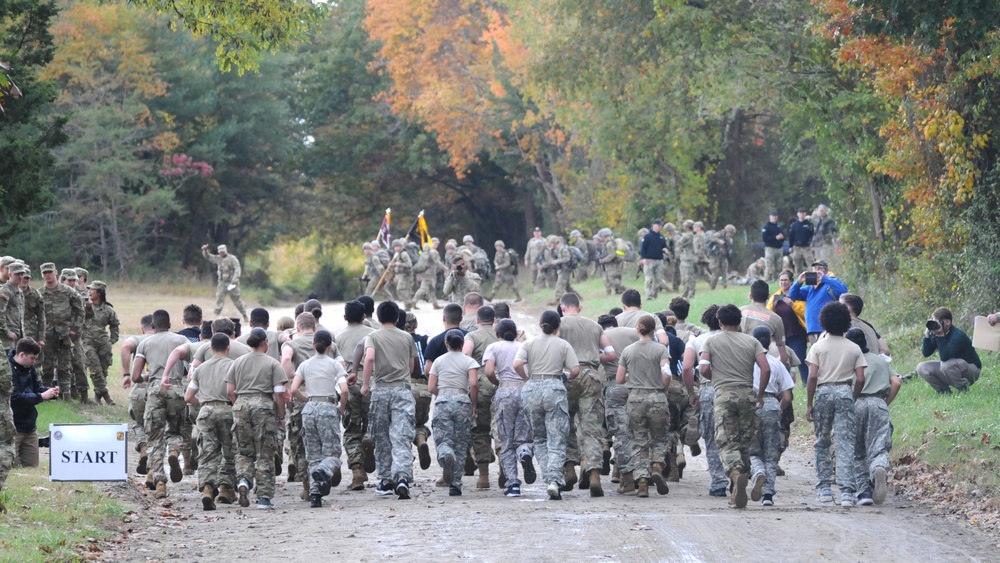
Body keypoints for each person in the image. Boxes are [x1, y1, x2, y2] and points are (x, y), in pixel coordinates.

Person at [699, 304, 770, 509]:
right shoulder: (752, 341)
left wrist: (715, 378)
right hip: (747, 394)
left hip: (724, 394)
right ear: (740, 322)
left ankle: (735, 474)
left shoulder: (711, 340)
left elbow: (703, 367)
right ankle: (737, 490)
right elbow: (765, 368)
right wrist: (761, 392)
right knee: (744, 441)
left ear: (719, 322)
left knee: (726, 442)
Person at [514, 310, 581, 500]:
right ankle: (554, 479)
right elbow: (575, 369)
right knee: (557, 438)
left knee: (540, 438)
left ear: (540, 325)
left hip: (532, 388)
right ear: (558, 326)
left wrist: (527, 378)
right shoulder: (563, 345)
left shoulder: (528, 343)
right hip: (554, 387)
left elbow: (517, 363)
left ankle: (549, 477)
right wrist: (566, 376)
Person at [805, 302, 866, 507]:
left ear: (824, 322)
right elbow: (860, 378)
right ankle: (847, 492)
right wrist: (853, 395)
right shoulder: (854, 347)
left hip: (823, 392)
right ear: (846, 323)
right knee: (845, 442)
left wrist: (809, 404)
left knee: (822, 441)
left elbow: (812, 376)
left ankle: (824, 489)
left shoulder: (818, 347)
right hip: (844, 391)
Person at [558, 293, 615, 497]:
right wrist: (591, 357)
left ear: (562, 308)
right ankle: (594, 476)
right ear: (579, 307)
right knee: (591, 427)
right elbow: (610, 354)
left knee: (565, 423)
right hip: (591, 375)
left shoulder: (559, 324)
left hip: (567, 376)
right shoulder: (595, 326)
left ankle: (569, 468)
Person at [361, 301, 418, 500]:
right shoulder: (406, 337)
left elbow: (369, 358)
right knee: (401, 436)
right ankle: (402, 476)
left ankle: (385, 480)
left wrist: (366, 384)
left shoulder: (373, 336)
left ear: (378, 317)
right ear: (396, 318)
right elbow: (411, 366)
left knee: (382, 437)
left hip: (381, 391)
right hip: (402, 391)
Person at [131, 310, 191, 497]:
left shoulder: (145, 343)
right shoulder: (182, 341)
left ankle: (159, 483)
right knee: (175, 430)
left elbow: (135, 376)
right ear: (170, 324)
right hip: (176, 389)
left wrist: (148, 376)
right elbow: (191, 371)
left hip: (155, 390)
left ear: (153, 326)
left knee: (154, 438)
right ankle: (173, 452)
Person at [226, 328, 287, 510]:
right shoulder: (273, 363)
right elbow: (280, 393)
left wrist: (240, 405)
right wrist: (281, 415)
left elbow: (230, 391)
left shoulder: (237, 362)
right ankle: (264, 498)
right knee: (265, 453)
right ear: (265, 342)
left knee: (244, 451)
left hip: (241, 406)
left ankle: (244, 480)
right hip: (264, 406)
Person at [290, 330, 349, 508]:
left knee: (313, 454)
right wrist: (341, 407)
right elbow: (344, 390)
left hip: (309, 409)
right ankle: (323, 471)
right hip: (328, 407)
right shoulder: (335, 365)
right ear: (331, 346)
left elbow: (293, 390)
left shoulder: (304, 365)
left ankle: (315, 495)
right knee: (332, 453)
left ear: (313, 345)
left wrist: (306, 400)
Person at [615, 316, 670, 498]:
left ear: (638, 329)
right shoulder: (661, 349)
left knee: (638, 441)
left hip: (635, 398)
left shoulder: (628, 351)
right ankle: (656, 466)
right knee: (659, 438)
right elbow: (667, 373)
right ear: (654, 330)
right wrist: (664, 387)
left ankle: (642, 481)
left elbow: (619, 379)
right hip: (657, 397)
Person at [844, 328, 900, 506]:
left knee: (857, 450)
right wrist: (885, 403)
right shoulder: (880, 360)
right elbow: (896, 382)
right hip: (878, 403)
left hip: (856, 403)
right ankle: (879, 468)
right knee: (878, 446)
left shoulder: (848, 361)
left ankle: (864, 492)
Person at [184, 333, 237, 510]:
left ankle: (207, 488)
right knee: (228, 451)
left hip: (206, 412)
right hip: (228, 410)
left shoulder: (200, 369)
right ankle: (225, 488)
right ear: (228, 347)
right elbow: (234, 392)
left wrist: (205, 403)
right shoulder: (234, 366)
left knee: (207, 452)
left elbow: (188, 396)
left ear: (211, 348)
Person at [428, 329, 480, 496]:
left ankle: (446, 454)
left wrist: (443, 395)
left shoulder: (438, 361)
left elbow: (430, 387)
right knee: (461, 443)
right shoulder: (469, 361)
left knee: (443, 439)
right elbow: (473, 383)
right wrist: (472, 403)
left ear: (446, 344)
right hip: (462, 400)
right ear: (463, 344)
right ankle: (456, 484)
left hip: (443, 400)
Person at [484, 319, 532, 497]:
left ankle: (513, 484)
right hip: (524, 390)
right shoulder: (524, 346)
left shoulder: (494, 347)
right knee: (524, 434)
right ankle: (525, 452)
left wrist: (498, 383)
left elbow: (489, 371)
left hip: (505, 391)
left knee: (506, 439)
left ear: (498, 334)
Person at [683, 305, 727, 497]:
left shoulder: (698, 341)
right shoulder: (736, 340)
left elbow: (686, 369)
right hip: (731, 387)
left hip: (708, 389)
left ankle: (718, 482)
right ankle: (735, 472)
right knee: (732, 434)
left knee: (711, 435)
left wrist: (691, 391)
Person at [747, 327, 794, 507]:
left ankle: (757, 471)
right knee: (771, 452)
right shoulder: (777, 363)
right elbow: (788, 397)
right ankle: (768, 495)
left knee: (752, 448)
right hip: (772, 405)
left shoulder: (747, 363)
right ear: (770, 342)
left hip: (751, 404)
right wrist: (778, 409)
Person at [336, 300, 376, 490]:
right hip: (370, 383)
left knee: (351, 429)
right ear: (363, 316)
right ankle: (369, 437)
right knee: (372, 422)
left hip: (348, 384)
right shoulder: (373, 334)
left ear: (345, 317)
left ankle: (357, 471)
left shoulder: (337, 338)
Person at [462, 306, 499, 488]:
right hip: (501, 384)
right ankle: (506, 472)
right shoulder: (501, 334)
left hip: (481, 385)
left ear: (477, 320)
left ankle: (483, 476)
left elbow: (466, 354)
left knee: (480, 429)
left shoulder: (472, 336)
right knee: (502, 429)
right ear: (494, 320)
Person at [10, 338, 59, 468]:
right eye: (32, 358)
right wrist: (41, 396)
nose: (34, 362)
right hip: (12, 426)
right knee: (11, 469)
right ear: (22, 355)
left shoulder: (29, 367)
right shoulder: (7, 370)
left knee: (32, 468)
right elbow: (15, 397)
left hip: (29, 426)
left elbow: (36, 388)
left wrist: (50, 392)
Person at [39, 262, 83, 400]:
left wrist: (74, 329)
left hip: (64, 335)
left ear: (56, 272)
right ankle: (47, 394)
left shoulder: (68, 291)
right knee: (47, 368)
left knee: (64, 367)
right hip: (47, 336)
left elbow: (80, 311)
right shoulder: (39, 294)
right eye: (45, 273)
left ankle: (66, 395)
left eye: (49, 272)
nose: (48, 275)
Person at [916, 307, 981, 393]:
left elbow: (944, 357)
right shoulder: (937, 334)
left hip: (971, 370)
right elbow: (926, 353)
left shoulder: (958, 335)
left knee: (946, 365)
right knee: (921, 367)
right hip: (952, 368)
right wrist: (927, 336)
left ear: (947, 322)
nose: (935, 325)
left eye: (937, 322)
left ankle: (963, 388)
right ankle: (944, 391)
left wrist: (941, 335)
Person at [788, 260, 848, 340]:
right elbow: (792, 295)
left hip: (827, 328)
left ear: (826, 271)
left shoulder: (831, 282)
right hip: (812, 328)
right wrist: (799, 282)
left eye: (819, 268)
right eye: (814, 269)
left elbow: (843, 291)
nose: (816, 271)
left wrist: (824, 278)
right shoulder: (811, 287)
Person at [83, 280, 120, 405]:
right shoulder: (85, 307)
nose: (89, 292)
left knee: (103, 371)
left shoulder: (108, 310)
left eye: (92, 290)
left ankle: (98, 396)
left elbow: (115, 325)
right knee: (95, 370)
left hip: (103, 344)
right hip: (88, 343)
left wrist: (111, 341)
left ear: (99, 293)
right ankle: (107, 396)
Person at [767, 270, 807, 383]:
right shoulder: (775, 296)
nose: (783, 283)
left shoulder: (798, 295)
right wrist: (773, 306)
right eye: (781, 280)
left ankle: (806, 382)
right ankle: (783, 382)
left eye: (786, 280)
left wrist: (792, 304)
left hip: (797, 333)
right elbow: (768, 314)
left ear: (791, 281)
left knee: (801, 360)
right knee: (781, 360)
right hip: (780, 335)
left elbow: (804, 312)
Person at [740, 280, 789, 366]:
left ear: (751, 296)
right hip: (762, 363)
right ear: (768, 296)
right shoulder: (776, 318)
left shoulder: (739, 311)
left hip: (740, 360)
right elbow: (782, 352)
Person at [201, 244, 247, 321]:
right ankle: (215, 315)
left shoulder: (232, 259)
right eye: (220, 252)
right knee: (219, 298)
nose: (221, 254)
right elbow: (208, 257)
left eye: (222, 252)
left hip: (232, 283)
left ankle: (244, 314)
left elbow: (237, 269)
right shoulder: (218, 258)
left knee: (236, 300)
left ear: (226, 251)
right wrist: (205, 250)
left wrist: (235, 278)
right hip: (222, 282)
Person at [639, 220, 670, 301]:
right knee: (649, 279)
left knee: (658, 279)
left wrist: (666, 250)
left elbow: (664, 246)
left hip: (659, 260)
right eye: (657, 225)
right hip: (649, 260)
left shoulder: (661, 237)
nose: (659, 227)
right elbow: (642, 248)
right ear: (653, 225)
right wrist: (643, 258)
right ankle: (648, 295)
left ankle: (654, 294)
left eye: (660, 225)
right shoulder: (647, 236)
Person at [786, 208, 814, 273]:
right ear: (797, 214)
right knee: (797, 264)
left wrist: (812, 245)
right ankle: (798, 278)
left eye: (803, 213)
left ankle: (812, 277)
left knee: (810, 262)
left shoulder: (809, 224)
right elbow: (791, 236)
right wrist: (790, 246)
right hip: (797, 248)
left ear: (805, 214)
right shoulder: (794, 225)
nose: (801, 214)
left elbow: (812, 235)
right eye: (800, 213)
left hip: (807, 247)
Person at [598, 228, 625, 295]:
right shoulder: (608, 243)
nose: (600, 238)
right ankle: (618, 291)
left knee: (612, 278)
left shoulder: (609, 244)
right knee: (610, 278)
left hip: (613, 264)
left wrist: (604, 260)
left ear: (604, 236)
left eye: (601, 236)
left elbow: (612, 254)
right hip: (612, 263)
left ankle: (623, 289)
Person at [707, 225, 735, 290]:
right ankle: (712, 287)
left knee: (724, 271)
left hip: (724, 256)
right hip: (715, 256)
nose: (730, 235)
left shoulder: (728, 237)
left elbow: (728, 246)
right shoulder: (718, 234)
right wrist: (718, 241)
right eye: (730, 233)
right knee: (715, 272)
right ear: (726, 231)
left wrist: (730, 241)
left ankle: (725, 286)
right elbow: (710, 238)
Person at [761, 210, 784, 281]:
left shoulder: (779, 226)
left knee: (779, 266)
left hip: (779, 248)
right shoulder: (766, 227)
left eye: (775, 216)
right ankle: (767, 280)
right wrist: (775, 237)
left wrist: (782, 237)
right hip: (770, 248)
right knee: (769, 266)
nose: (774, 217)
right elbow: (764, 238)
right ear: (770, 217)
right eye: (773, 216)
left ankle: (777, 280)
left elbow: (783, 236)